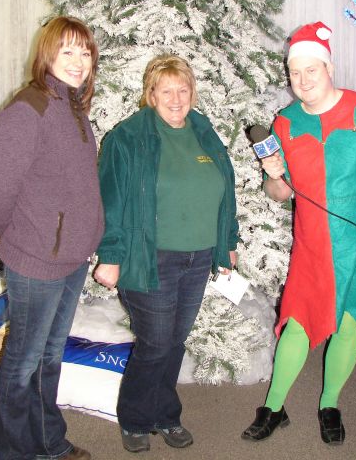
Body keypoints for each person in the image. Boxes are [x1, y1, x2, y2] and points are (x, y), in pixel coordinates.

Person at [242, 22, 356, 445]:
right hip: (312, 241)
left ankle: (330, 403)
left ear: (329, 67)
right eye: (294, 73)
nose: (302, 81)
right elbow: (279, 194)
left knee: (346, 323)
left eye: (311, 71)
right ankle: (274, 406)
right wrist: (273, 175)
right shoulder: (284, 122)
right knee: (299, 323)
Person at [94, 54, 238, 454]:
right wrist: (110, 253)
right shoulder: (128, 137)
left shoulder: (202, 129)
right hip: (150, 257)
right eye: (166, 90)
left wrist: (228, 240)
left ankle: (165, 414)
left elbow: (224, 187)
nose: (176, 99)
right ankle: (136, 417)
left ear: (192, 92)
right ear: (151, 94)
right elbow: (111, 201)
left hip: (198, 256)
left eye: (183, 90)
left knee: (175, 340)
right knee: (155, 343)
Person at [0, 16, 104, 460]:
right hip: (36, 259)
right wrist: (4, 228)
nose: (77, 60)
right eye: (66, 50)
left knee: (50, 356)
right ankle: (16, 453)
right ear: (46, 55)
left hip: (70, 256)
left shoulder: (73, 107)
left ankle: (49, 442)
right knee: (22, 362)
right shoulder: (27, 109)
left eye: (84, 51)